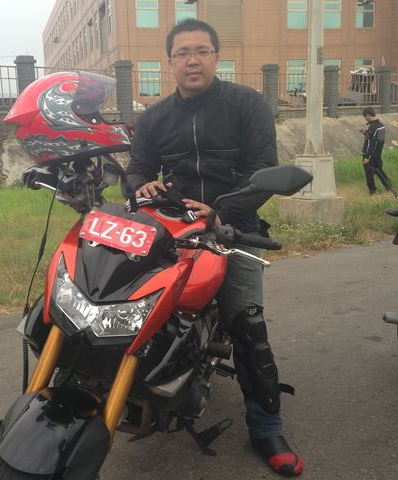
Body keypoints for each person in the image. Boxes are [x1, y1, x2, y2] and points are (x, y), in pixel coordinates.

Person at [126, 18, 302, 477]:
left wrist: (222, 212)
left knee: (248, 326)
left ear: (216, 58)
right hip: (174, 229)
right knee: (133, 309)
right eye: (182, 53)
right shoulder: (154, 118)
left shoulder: (246, 104)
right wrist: (140, 184)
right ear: (169, 63)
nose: (193, 60)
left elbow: (263, 170)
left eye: (201, 51)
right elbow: (137, 167)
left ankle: (266, 427)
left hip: (232, 227)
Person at [360, 107, 392, 195]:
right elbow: (378, 140)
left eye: (365, 117)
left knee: (369, 174)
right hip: (378, 154)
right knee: (380, 171)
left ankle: (373, 192)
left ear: (368, 115)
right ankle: (389, 187)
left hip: (371, 155)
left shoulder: (373, 127)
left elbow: (372, 143)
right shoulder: (381, 126)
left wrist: (367, 157)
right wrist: (365, 132)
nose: (365, 118)